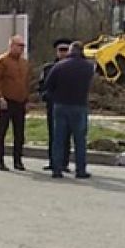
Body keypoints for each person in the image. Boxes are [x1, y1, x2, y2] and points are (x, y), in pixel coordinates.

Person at [45, 41, 96, 179]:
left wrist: (55, 95)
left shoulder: (59, 66)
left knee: (59, 139)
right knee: (80, 140)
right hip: (79, 105)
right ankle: (80, 170)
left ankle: (57, 169)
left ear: (70, 51)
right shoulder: (88, 67)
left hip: (60, 105)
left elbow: (48, 84)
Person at [0, 34, 30, 171]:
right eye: (19, 46)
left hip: (20, 101)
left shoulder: (24, 63)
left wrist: (26, 98)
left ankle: (18, 160)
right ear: (12, 46)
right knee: (2, 132)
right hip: (6, 101)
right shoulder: (2, 61)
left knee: (19, 133)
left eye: (23, 46)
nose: (22, 49)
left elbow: (26, 82)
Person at [38, 38, 72, 172]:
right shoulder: (49, 68)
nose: (63, 53)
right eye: (60, 50)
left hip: (69, 104)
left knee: (66, 135)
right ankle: (53, 161)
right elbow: (42, 85)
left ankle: (64, 163)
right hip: (53, 105)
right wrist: (46, 96)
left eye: (65, 50)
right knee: (53, 134)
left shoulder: (73, 68)